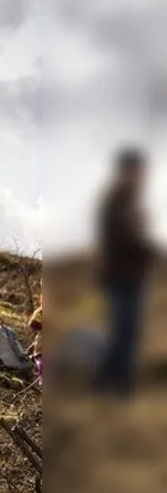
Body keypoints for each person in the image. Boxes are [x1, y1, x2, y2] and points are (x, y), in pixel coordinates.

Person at [94, 147, 155, 396]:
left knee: (125, 332)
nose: (141, 174)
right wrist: (152, 251)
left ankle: (111, 384)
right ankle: (117, 386)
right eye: (138, 169)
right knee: (125, 332)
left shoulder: (126, 197)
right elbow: (128, 237)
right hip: (123, 276)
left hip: (127, 275)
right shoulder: (120, 198)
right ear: (128, 170)